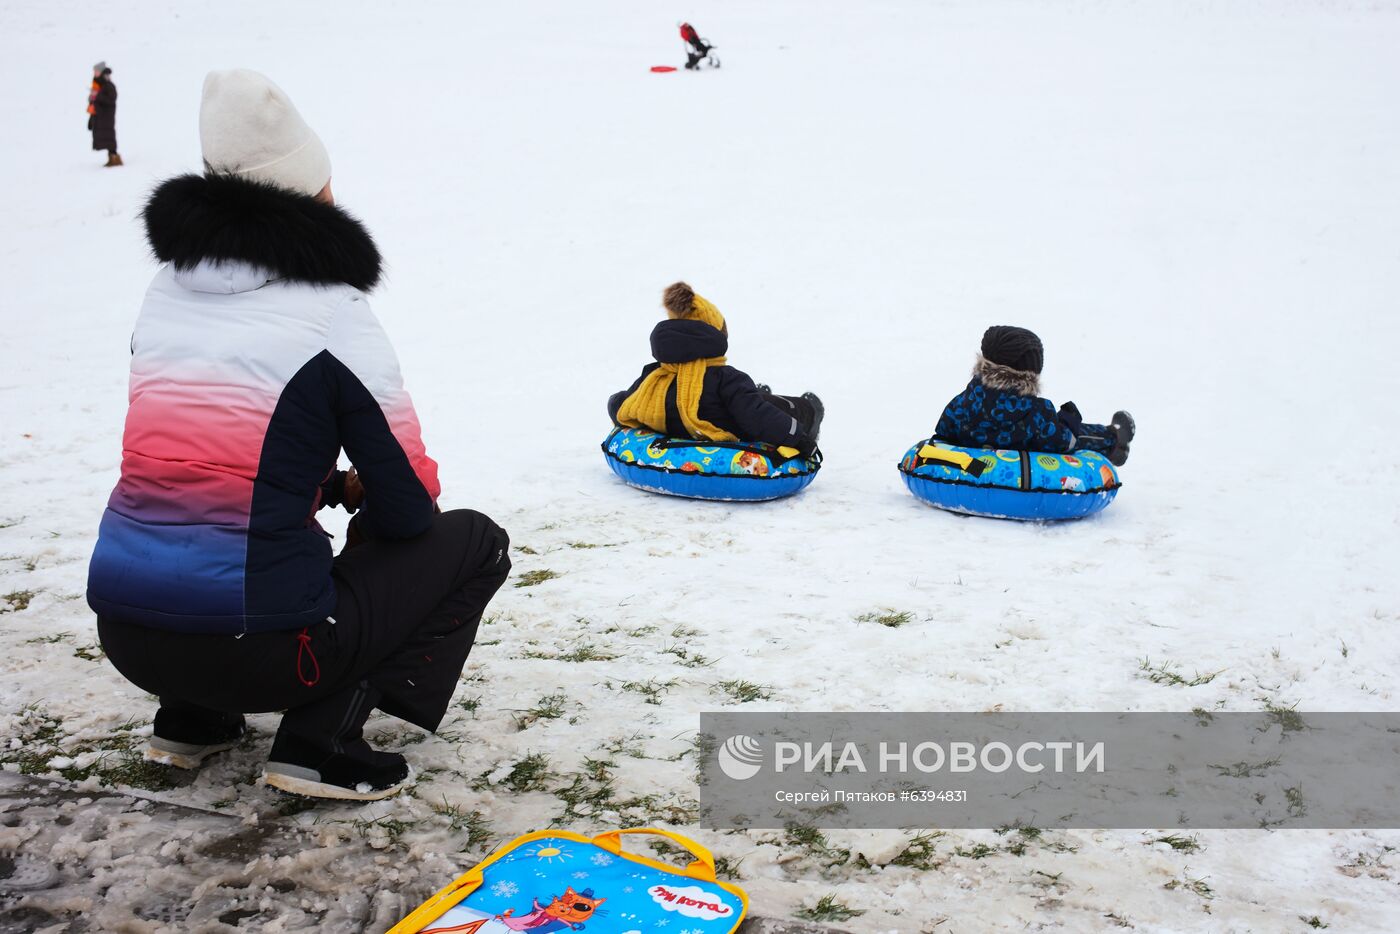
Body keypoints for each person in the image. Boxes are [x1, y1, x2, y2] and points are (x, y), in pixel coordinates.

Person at [86, 69, 510, 802]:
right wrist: (367, 501)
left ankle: (193, 720)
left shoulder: (165, 295)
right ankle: (321, 742)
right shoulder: (331, 310)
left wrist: (323, 484)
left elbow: (215, 459)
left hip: (127, 638)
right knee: (471, 541)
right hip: (269, 654)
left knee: (210, 530)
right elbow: (408, 504)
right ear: (309, 192)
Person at [608, 282, 823, 455]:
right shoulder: (724, 378)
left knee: (748, 398)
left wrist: (615, 402)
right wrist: (799, 439)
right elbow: (757, 417)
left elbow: (621, 404)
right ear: (714, 338)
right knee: (767, 404)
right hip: (736, 422)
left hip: (690, 423)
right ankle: (810, 411)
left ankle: (758, 393)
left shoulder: (654, 377)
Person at [935, 325, 1134, 465]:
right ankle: (1114, 440)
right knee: (1075, 430)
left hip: (974, 465)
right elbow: (1064, 442)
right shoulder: (1036, 412)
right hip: (1025, 467)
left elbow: (943, 432)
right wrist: (1070, 419)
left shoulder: (963, 401)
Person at [88, 62, 120, 167]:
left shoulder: (108, 86)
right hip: (99, 116)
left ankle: (114, 158)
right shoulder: (97, 86)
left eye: (96, 71)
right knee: (105, 136)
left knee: (109, 135)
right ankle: (112, 158)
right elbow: (94, 101)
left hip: (106, 116)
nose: (95, 73)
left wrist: (97, 96)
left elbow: (111, 99)